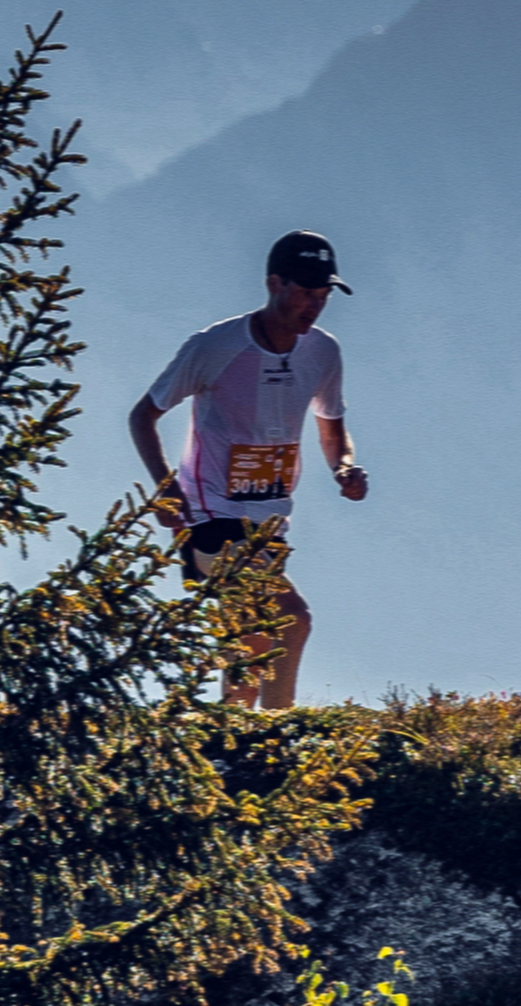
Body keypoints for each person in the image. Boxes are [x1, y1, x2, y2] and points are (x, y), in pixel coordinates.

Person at [128, 230, 369, 709]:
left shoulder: (324, 352)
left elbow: (332, 428)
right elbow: (142, 416)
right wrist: (164, 486)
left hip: (270, 524)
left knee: (251, 651)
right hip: (210, 517)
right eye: (305, 292)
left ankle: (228, 741)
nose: (314, 305)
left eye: (323, 295)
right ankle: (281, 735)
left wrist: (343, 468)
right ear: (274, 284)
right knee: (291, 620)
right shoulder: (214, 346)